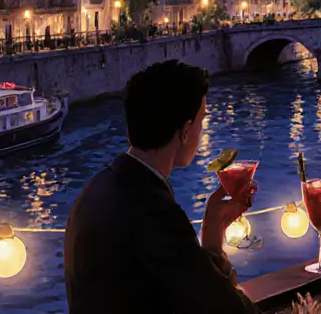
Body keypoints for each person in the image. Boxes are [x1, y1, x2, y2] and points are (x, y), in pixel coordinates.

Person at [64, 60, 260, 313]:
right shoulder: (153, 211)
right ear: (186, 131)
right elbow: (226, 307)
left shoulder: (97, 189)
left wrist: (212, 229)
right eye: (202, 119)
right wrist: (212, 245)